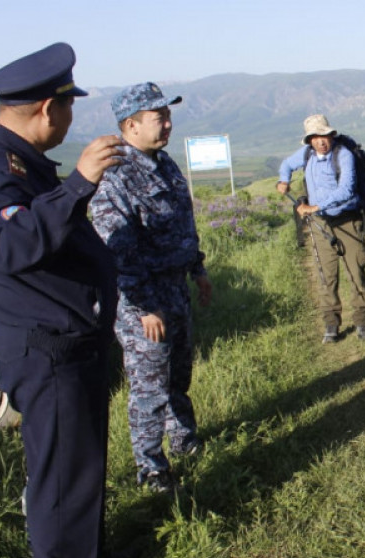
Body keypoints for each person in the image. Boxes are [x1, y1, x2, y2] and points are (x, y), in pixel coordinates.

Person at [0, 43, 122, 558]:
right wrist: (79, 185)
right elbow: (11, 244)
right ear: (49, 108)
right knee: (62, 489)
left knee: (76, 479)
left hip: (66, 349)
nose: (70, 119)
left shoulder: (26, 163)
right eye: (68, 106)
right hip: (48, 355)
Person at [91, 82, 212, 493]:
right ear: (131, 124)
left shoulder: (165, 165)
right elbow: (118, 251)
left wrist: (198, 270)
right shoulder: (116, 175)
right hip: (142, 300)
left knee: (178, 372)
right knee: (148, 385)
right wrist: (145, 306)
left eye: (168, 115)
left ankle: (183, 440)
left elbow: (183, 225)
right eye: (159, 117)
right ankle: (151, 467)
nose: (167, 123)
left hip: (174, 289)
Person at [277, 115, 365, 342]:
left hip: (348, 219)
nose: (321, 141)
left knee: (355, 271)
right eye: (315, 137)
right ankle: (331, 324)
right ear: (309, 140)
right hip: (321, 224)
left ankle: (362, 321)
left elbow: (346, 190)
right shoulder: (307, 154)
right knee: (326, 274)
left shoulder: (344, 155)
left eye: (324, 136)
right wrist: (283, 179)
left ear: (332, 135)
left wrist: (314, 206)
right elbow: (287, 164)